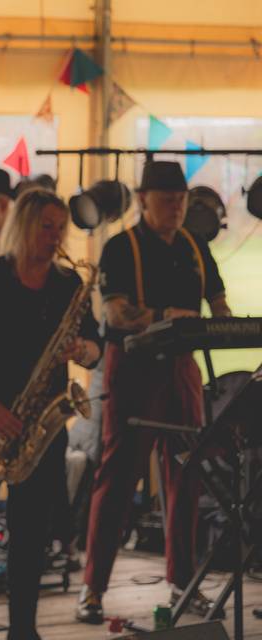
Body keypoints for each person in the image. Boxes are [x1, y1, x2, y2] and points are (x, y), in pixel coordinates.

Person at [0, 189, 102, 640]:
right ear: (24, 226)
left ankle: (24, 631)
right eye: (47, 227)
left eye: (60, 229)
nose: (55, 237)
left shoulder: (69, 285)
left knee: (31, 541)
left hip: (41, 433)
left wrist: (82, 348)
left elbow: (95, 348)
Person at [77, 161, 231, 624]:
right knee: (117, 475)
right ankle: (93, 589)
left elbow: (219, 304)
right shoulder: (122, 248)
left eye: (181, 200)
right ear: (143, 200)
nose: (176, 208)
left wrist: (224, 323)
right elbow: (116, 313)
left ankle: (184, 582)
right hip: (133, 371)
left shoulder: (197, 247)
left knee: (187, 475)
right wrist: (171, 315)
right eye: (166, 200)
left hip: (182, 371)